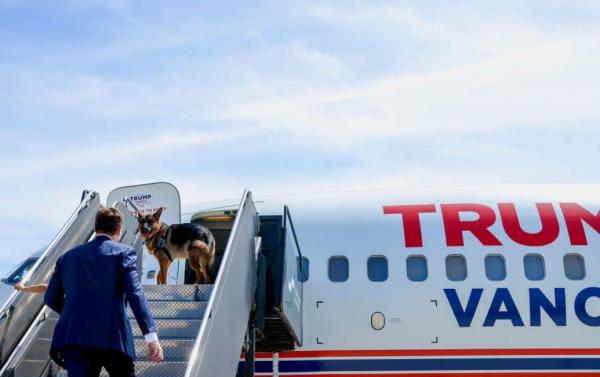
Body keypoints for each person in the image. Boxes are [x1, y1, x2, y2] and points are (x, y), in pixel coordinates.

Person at [44, 207, 164, 377]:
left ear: (95, 227)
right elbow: (135, 294)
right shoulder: (124, 253)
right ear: (120, 230)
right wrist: (151, 337)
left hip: (76, 337)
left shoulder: (67, 257)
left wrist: (77, 313)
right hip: (113, 336)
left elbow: (50, 297)